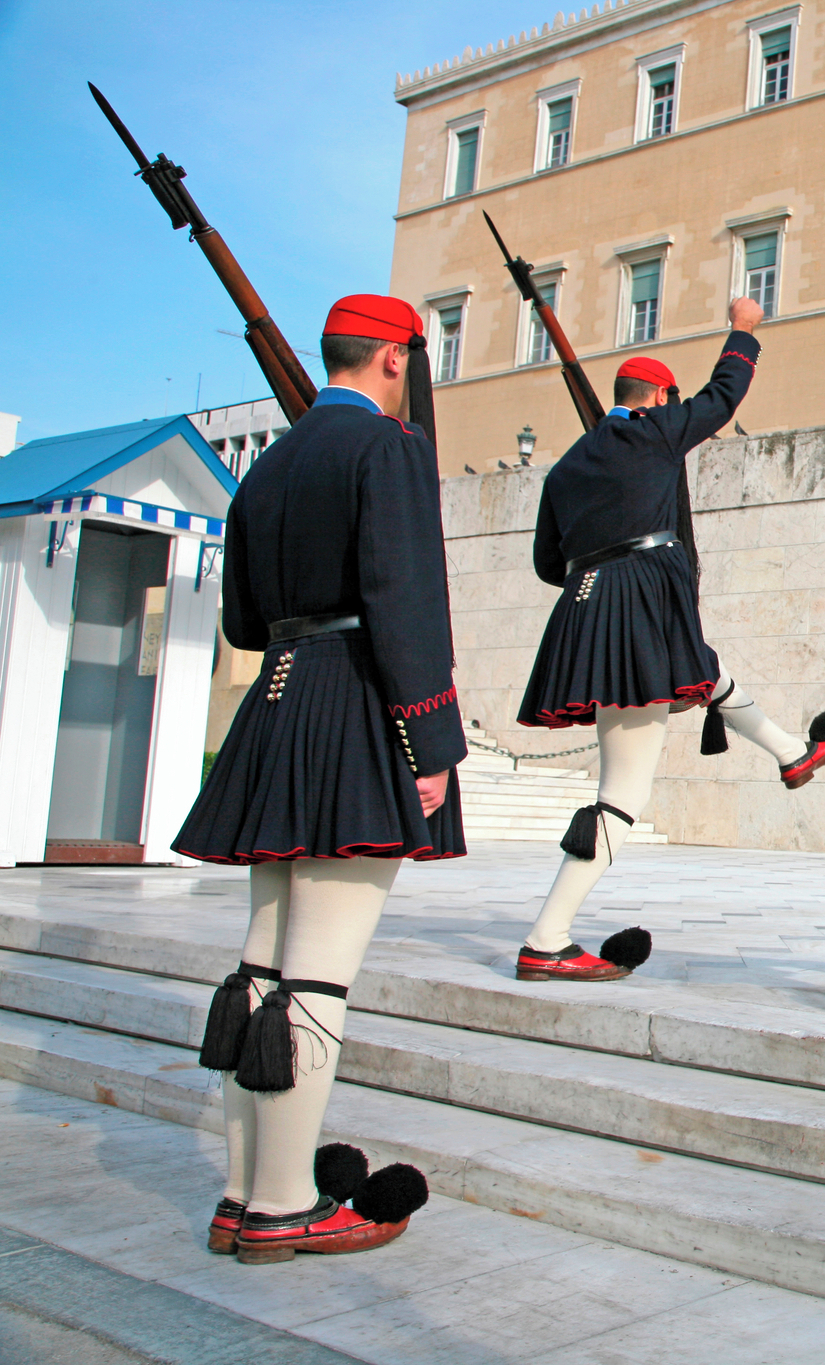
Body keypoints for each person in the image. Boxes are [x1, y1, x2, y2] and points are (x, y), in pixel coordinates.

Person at [176, 294, 451, 1263]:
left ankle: (240, 1192)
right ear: (391, 359)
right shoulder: (386, 450)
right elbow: (403, 594)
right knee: (316, 976)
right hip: (353, 702)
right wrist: (433, 741)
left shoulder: (270, 467)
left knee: (259, 967)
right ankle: (287, 1206)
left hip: (278, 700)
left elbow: (244, 622)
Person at [513, 298, 825, 982]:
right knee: (622, 793)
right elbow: (723, 396)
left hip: (585, 607)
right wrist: (744, 330)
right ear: (660, 396)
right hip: (641, 596)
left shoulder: (566, 467)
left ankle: (790, 752)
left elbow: (550, 563)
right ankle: (547, 937)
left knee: (704, 675)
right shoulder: (658, 431)